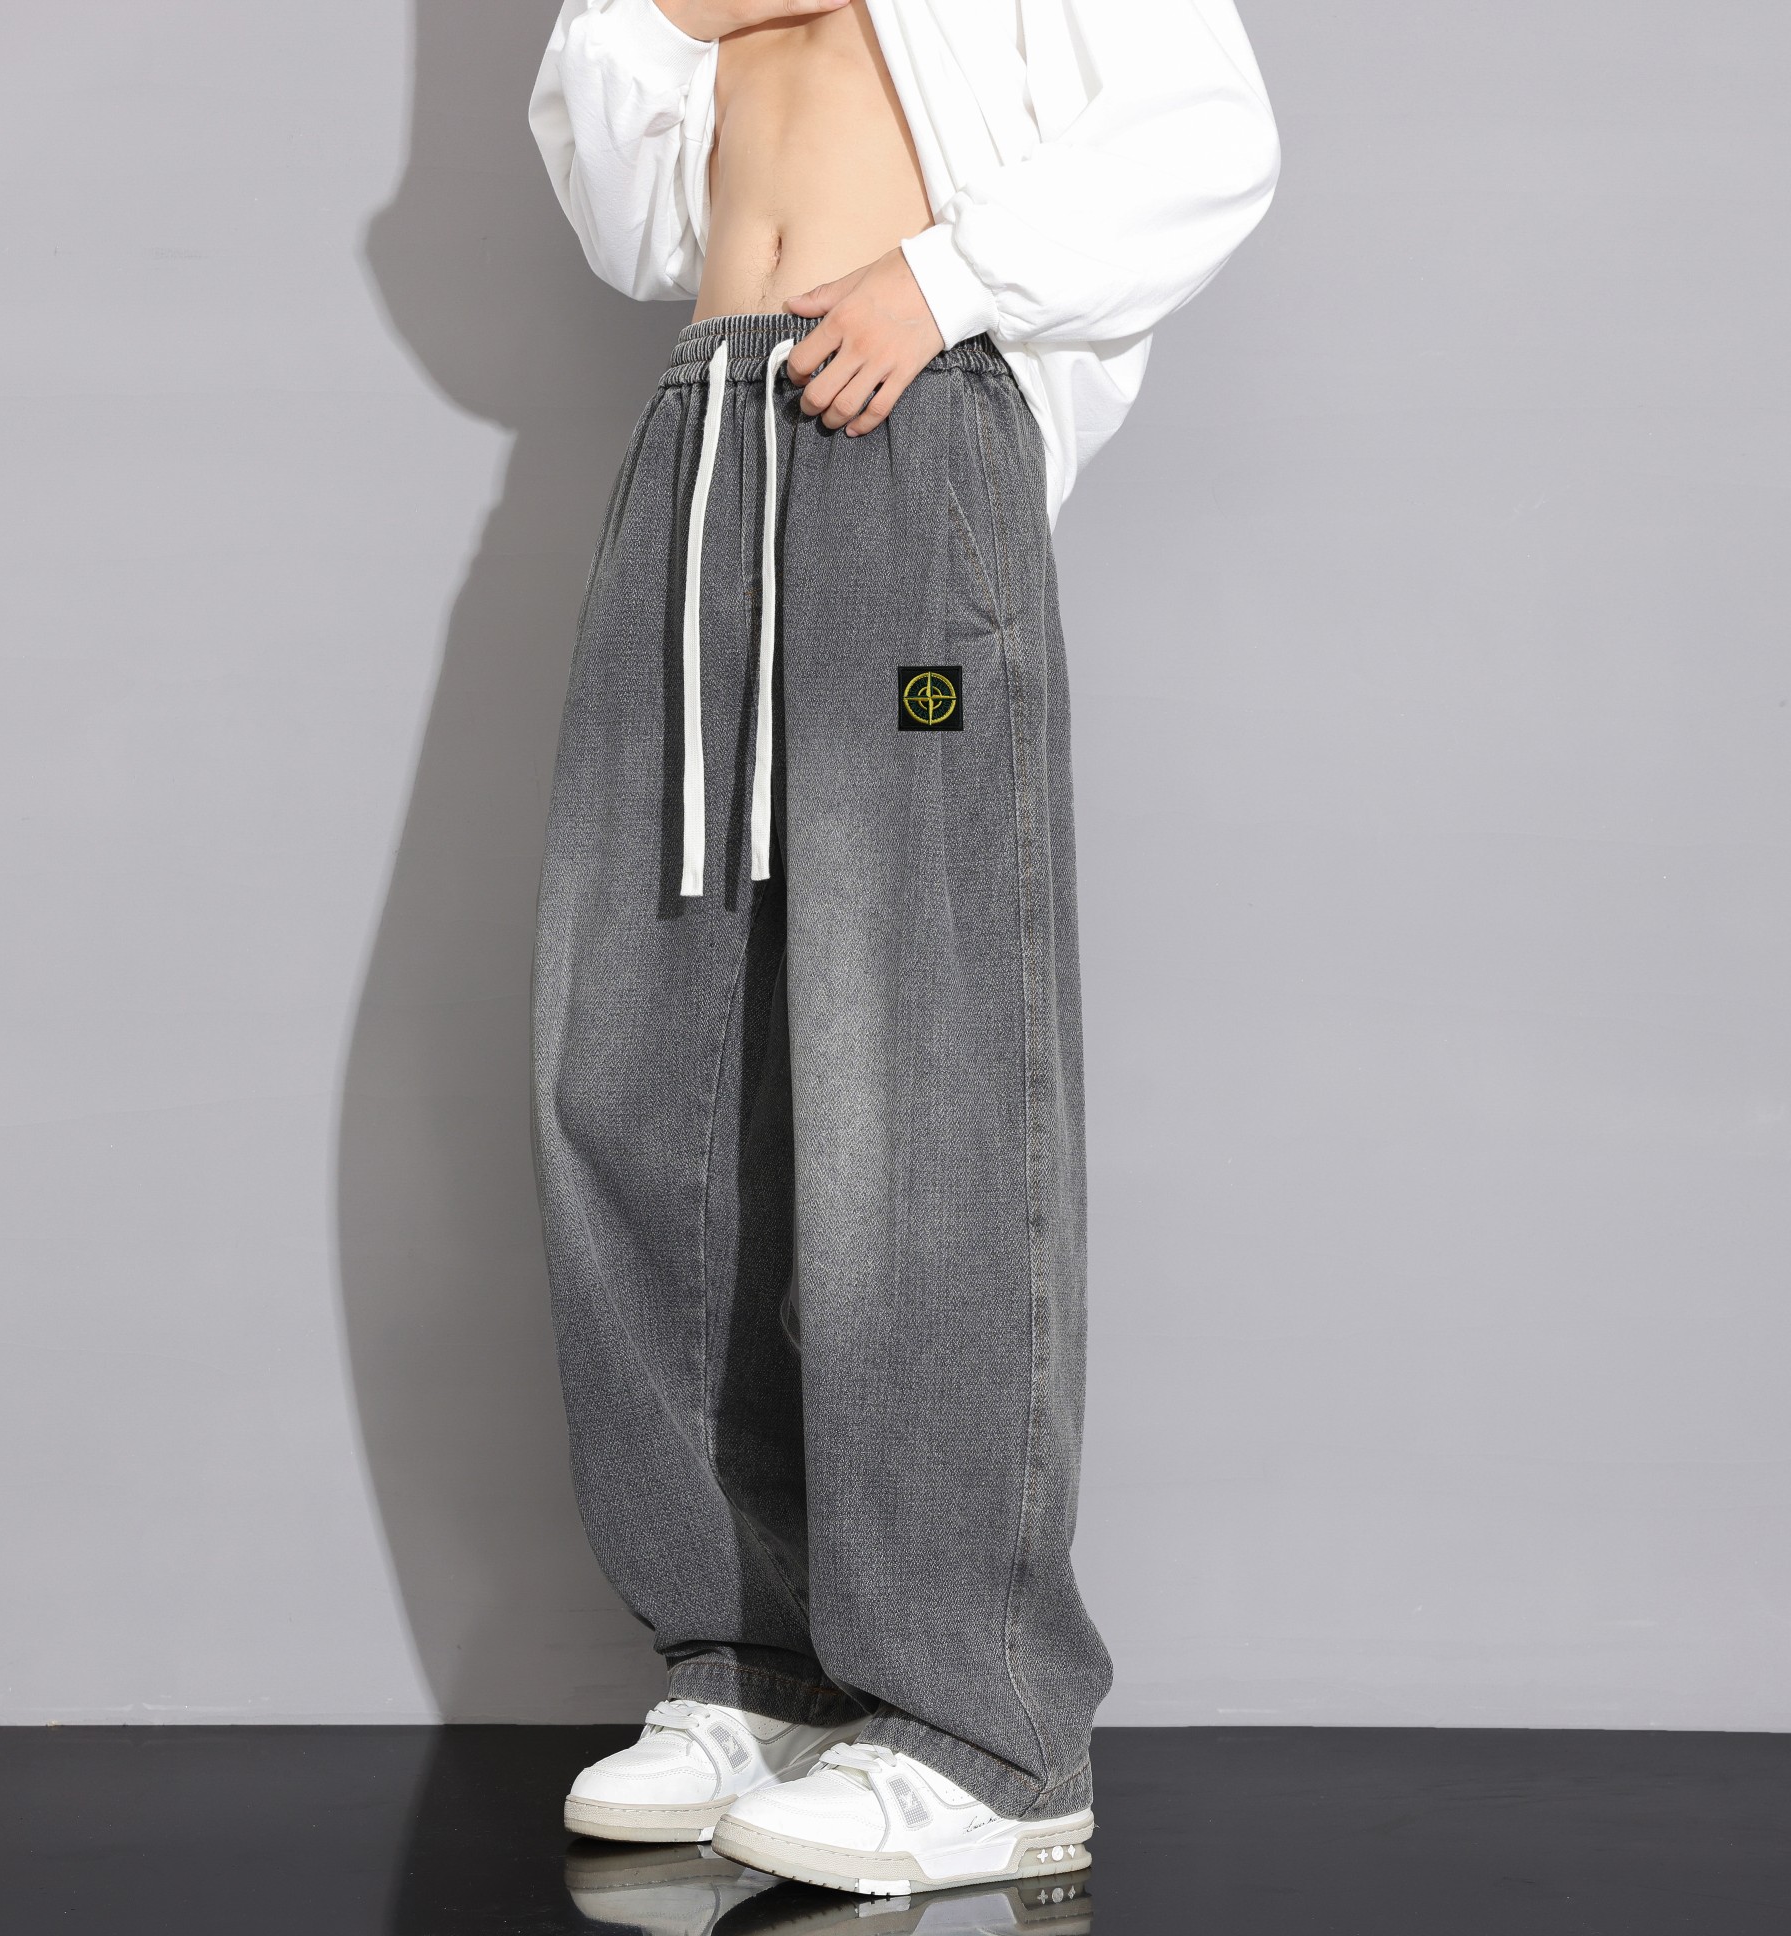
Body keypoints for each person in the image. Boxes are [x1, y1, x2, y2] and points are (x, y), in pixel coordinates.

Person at [526, 0, 1279, 1897]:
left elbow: (1212, 134)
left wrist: (944, 284)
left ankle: (982, 1724)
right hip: (702, 437)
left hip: (902, 434)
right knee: (636, 1079)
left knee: (917, 1070)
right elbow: (622, 212)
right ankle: (750, 1662)